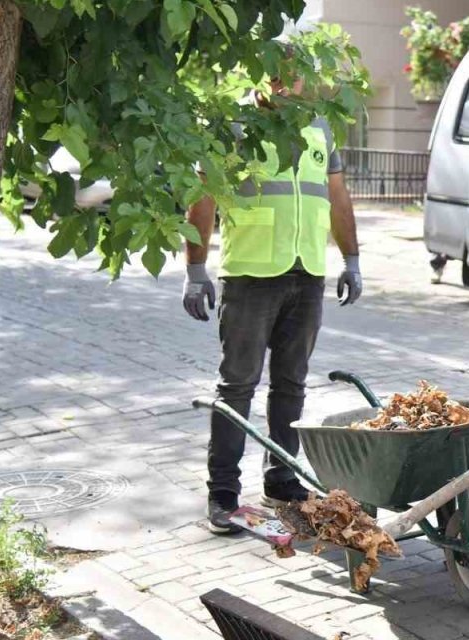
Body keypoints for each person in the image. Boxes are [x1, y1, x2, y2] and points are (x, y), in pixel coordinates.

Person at [181, 73, 363, 535]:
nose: (284, 83)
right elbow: (203, 197)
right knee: (236, 388)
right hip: (250, 275)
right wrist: (195, 269)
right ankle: (223, 494)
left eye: (293, 73)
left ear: (305, 79)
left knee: (291, 385)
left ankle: (281, 479)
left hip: (307, 274)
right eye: (275, 73)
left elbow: (337, 197)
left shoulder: (320, 127)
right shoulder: (232, 125)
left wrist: (352, 260)